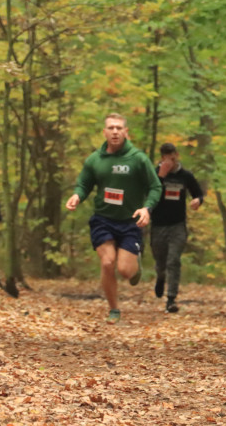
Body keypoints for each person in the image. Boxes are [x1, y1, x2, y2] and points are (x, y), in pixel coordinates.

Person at [65, 113, 162, 324]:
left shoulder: (138, 159)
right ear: (104, 132)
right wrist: (77, 196)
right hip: (103, 219)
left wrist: (147, 208)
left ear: (126, 132)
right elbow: (84, 184)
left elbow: (155, 187)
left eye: (119, 128)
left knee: (125, 270)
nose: (115, 131)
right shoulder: (94, 159)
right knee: (107, 262)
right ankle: (114, 309)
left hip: (130, 220)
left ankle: (135, 263)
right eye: (111, 128)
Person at [150, 142, 205, 313]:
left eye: (172, 157)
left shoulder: (185, 175)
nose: (170, 160)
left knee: (173, 260)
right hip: (158, 225)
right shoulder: (153, 173)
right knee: (161, 262)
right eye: (166, 157)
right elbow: (149, 193)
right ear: (162, 157)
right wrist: (161, 176)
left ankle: (171, 299)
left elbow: (198, 192)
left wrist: (198, 200)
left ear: (176, 155)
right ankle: (160, 277)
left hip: (177, 225)